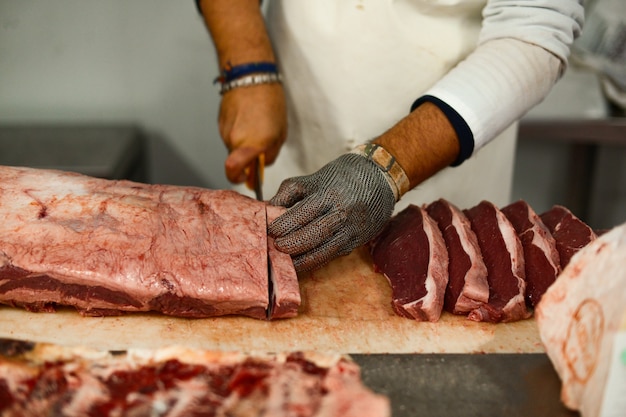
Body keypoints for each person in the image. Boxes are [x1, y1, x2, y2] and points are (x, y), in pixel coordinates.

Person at [196, 0, 584, 272]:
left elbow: (534, 28)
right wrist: (249, 70)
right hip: (297, 114)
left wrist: (386, 167)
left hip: (446, 146)